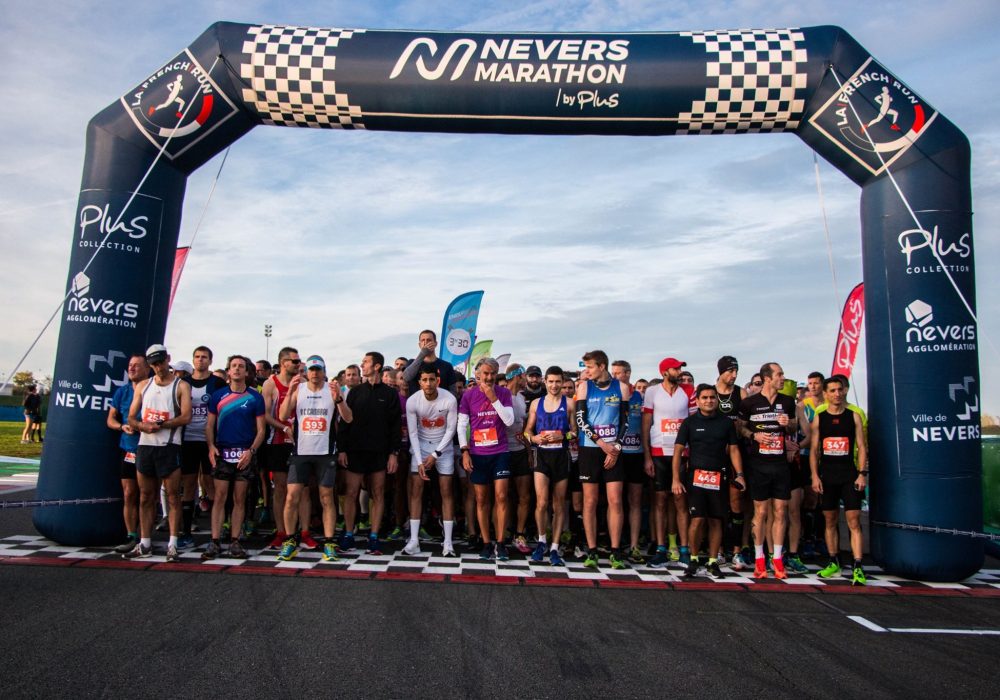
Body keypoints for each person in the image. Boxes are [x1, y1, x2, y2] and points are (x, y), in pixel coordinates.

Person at [276, 355, 352, 562]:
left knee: (326, 497)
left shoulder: (333, 389)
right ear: (306, 372)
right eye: (311, 370)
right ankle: (290, 540)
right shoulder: (298, 389)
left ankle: (329, 542)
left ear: (324, 371)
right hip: (301, 451)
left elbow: (348, 418)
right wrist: (290, 393)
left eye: (318, 370)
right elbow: (282, 416)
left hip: (325, 452)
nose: (315, 373)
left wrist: (338, 399)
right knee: (292, 496)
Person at [124, 344, 192, 561]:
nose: (158, 367)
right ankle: (145, 542)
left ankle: (173, 542)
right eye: (153, 364)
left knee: (172, 496)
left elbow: (186, 416)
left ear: (168, 359)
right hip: (146, 446)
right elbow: (131, 417)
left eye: (160, 362)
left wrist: (162, 424)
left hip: (169, 447)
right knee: (145, 496)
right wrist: (144, 426)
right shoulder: (143, 385)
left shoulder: (181, 386)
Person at [672, 384, 744, 579]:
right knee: (697, 520)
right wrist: (675, 479)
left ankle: (713, 561)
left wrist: (739, 474)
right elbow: (678, 451)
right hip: (695, 477)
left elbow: (734, 450)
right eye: (704, 398)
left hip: (719, 477)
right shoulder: (689, 422)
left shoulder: (726, 423)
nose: (709, 401)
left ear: (716, 400)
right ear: (698, 400)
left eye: (712, 397)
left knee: (716, 520)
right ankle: (693, 559)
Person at [337, 351, 402, 554]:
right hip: (355, 451)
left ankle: (373, 536)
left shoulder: (390, 394)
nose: (362, 365)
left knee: (378, 494)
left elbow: (395, 426)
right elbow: (345, 423)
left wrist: (394, 453)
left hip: (380, 452)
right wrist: (342, 449)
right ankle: (349, 533)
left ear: (376, 366)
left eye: (365, 362)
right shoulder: (355, 392)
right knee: (351, 493)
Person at [737, 362, 798, 579]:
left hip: (780, 463)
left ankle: (778, 559)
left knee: (781, 510)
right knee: (761, 513)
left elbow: (793, 426)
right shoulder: (749, 403)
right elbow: (740, 428)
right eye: (779, 375)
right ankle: (760, 558)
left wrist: (787, 424)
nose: (783, 378)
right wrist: (754, 435)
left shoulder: (788, 401)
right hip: (758, 464)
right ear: (767, 378)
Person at [202, 355, 266, 560]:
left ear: (247, 372)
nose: (237, 369)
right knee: (220, 498)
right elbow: (209, 426)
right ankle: (214, 541)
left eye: (241, 366)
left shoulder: (255, 397)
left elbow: (261, 430)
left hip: (245, 454)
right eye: (233, 366)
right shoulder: (218, 396)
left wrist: (251, 451)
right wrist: (211, 447)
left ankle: (235, 541)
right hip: (222, 452)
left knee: (240, 499)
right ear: (228, 371)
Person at [575, 350, 631, 570]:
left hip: (614, 450)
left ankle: (615, 551)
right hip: (591, 449)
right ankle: (592, 549)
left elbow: (626, 421)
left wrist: (615, 446)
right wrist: (602, 443)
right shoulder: (584, 387)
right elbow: (581, 420)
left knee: (615, 500)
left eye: (589, 367)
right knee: (590, 501)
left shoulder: (622, 388)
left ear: (601, 366)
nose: (586, 371)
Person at [811, 376, 869, 585]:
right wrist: (815, 475)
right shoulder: (820, 416)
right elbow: (814, 449)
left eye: (839, 390)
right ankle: (833, 560)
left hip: (849, 474)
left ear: (845, 390)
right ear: (826, 393)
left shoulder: (854, 416)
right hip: (828, 475)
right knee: (830, 520)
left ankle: (857, 565)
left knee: (854, 520)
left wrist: (862, 473)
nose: (837, 394)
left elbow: (862, 447)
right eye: (832, 391)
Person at [458, 357, 515, 561]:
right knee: (481, 499)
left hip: (500, 452)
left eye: (493, 373)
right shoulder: (468, 395)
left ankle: (500, 543)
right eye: (486, 373)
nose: (489, 377)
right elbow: (461, 425)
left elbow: (509, 420)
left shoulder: (504, 393)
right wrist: (465, 451)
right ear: (478, 374)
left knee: (501, 497)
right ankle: (485, 542)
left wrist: (493, 398)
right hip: (477, 454)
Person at [642, 357, 696, 568]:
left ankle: (684, 549)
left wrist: (692, 454)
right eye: (676, 368)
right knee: (660, 501)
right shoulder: (652, 392)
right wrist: (647, 456)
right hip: (658, 451)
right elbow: (646, 425)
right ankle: (662, 548)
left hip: (681, 452)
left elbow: (693, 421)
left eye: (681, 368)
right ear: (665, 372)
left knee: (680, 500)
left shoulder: (688, 390)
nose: (680, 371)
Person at [404, 366, 459, 556]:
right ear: (419, 382)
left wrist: (435, 455)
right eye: (424, 380)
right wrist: (420, 461)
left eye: (431, 380)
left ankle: (448, 542)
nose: (428, 383)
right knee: (416, 491)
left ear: (438, 381)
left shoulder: (449, 399)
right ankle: (413, 540)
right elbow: (412, 432)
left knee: (446, 491)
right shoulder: (412, 401)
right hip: (420, 445)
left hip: (443, 447)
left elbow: (451, 430)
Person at [524, 365, 574, 566]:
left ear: (563, 382)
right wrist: (534, 438)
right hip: (542, 456)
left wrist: (563, 436)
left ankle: (554, 547)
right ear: (545, 381)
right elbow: (527, 431)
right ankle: (541, 541)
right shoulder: (537, 403)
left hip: (561, 456)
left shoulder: (569, 403)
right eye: (551, 381)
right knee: (542, 502)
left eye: (558, 382)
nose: (554, 385)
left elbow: (576, 432)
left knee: (559, 504)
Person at [261, 348, 310, 550]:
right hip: (278, 442)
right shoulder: (271, 383)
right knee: (280, 488)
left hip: (301, 443)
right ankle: (281, 531)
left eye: (299, 360)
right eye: (295, 361)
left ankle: (304, 531)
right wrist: (284, 427)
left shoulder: (304, 383)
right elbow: (264, 415)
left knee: (303, 490)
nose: (298, 364)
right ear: (283, 363)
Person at [178, 346, 225, 549]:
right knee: (188, 486)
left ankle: (217, 532)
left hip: (210, 442)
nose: (200, 360)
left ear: (210, 361)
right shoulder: (183, 383)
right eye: (197, 357)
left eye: (204, 357)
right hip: (187, 440)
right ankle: (186, 532)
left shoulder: (218, 383)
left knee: (212, 485)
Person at [107, 354, 149, 553]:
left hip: (151, 449)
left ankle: (146, 537)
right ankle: (131, 535)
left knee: (147, 496)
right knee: (129, 493)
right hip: (129, 449)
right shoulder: (122, 392)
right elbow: (111, 420)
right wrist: (122, 426)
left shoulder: (153, 389)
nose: (131, 369)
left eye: (136, 366)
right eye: (130, 366)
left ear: (146, 369)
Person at [715, 355, 751, 570]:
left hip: (736, 452)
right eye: (730, 371)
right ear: (721, 371)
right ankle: (718, 550)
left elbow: (744, 426)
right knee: (717, 503)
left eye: (736, 371)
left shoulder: (741, 393)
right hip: (715, 455)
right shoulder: (710, 393)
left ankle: (737, 551)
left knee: (737, 503)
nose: (734, 375)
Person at [611, 360, 646, 565]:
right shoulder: (612, 395)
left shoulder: (640, 396)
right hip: (617, 453)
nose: (615, 377)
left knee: (635, 501)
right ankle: (615, 542)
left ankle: (633, 545)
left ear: (628, 373)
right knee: (615, 501)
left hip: (636, 453)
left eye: (619, 373)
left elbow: (646, 425)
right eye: (613, 373)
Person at [503, 364, 533, 553]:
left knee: (524, 495)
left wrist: (529, 451)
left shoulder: (521, 398)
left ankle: (519, 534)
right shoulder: (501, 395)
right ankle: (504, 532)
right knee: (502, 496)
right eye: (524, 376)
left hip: (520, 451)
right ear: (517, 376)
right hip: (503, 451)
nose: (526, 380)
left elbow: (523, 427)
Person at [402, 330, 458, 395]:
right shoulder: (412, 362)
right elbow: (406, 377)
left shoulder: (447, 366)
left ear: (435, 343)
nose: (425, 343)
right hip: (417, 403)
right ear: (419, 345)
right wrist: (422, 354)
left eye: (429, 340)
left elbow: (453, 391)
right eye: (423, 340)